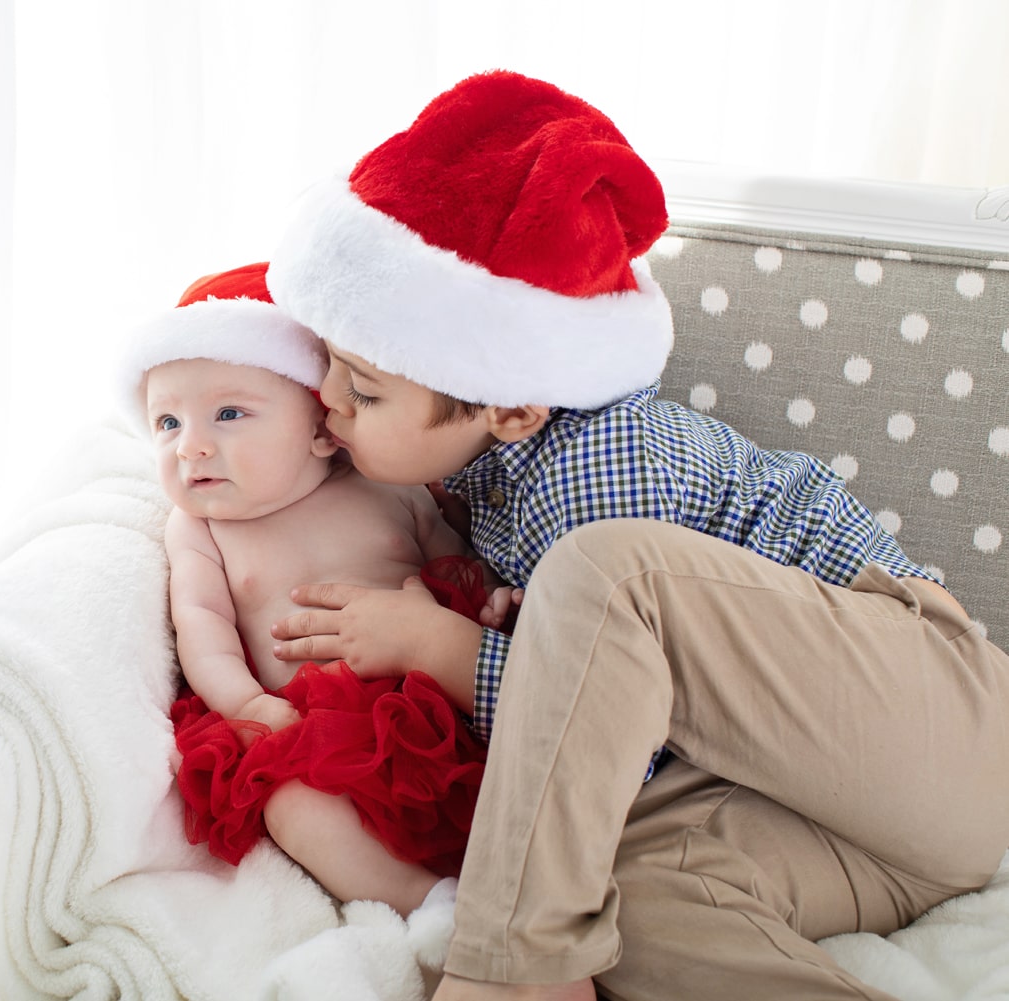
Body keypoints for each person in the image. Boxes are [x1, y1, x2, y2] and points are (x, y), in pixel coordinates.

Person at [262, 70, 1009, 1001]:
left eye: (363, 389)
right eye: (333, 365)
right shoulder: (494, 476)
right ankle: (552, 959)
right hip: (841, 826)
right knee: (618, 901)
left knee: (606, 576)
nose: (328, 398)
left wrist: (442, 646)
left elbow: (619, 722)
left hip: (934, 723)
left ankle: (506, 978)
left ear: (516, 408)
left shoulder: (599, 459)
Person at [120, 262, 516, 928]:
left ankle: (520, 871)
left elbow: (456, 567)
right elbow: (203, 629)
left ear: (320, 427)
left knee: (514, 743)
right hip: (305, 727)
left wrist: (491, 602)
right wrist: (246, 702)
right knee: (290, 805)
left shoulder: (388, 487)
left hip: (429, 697)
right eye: (166, 423)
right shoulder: (201, 529)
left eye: (228, 413)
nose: (192, 447)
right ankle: (426, 902)